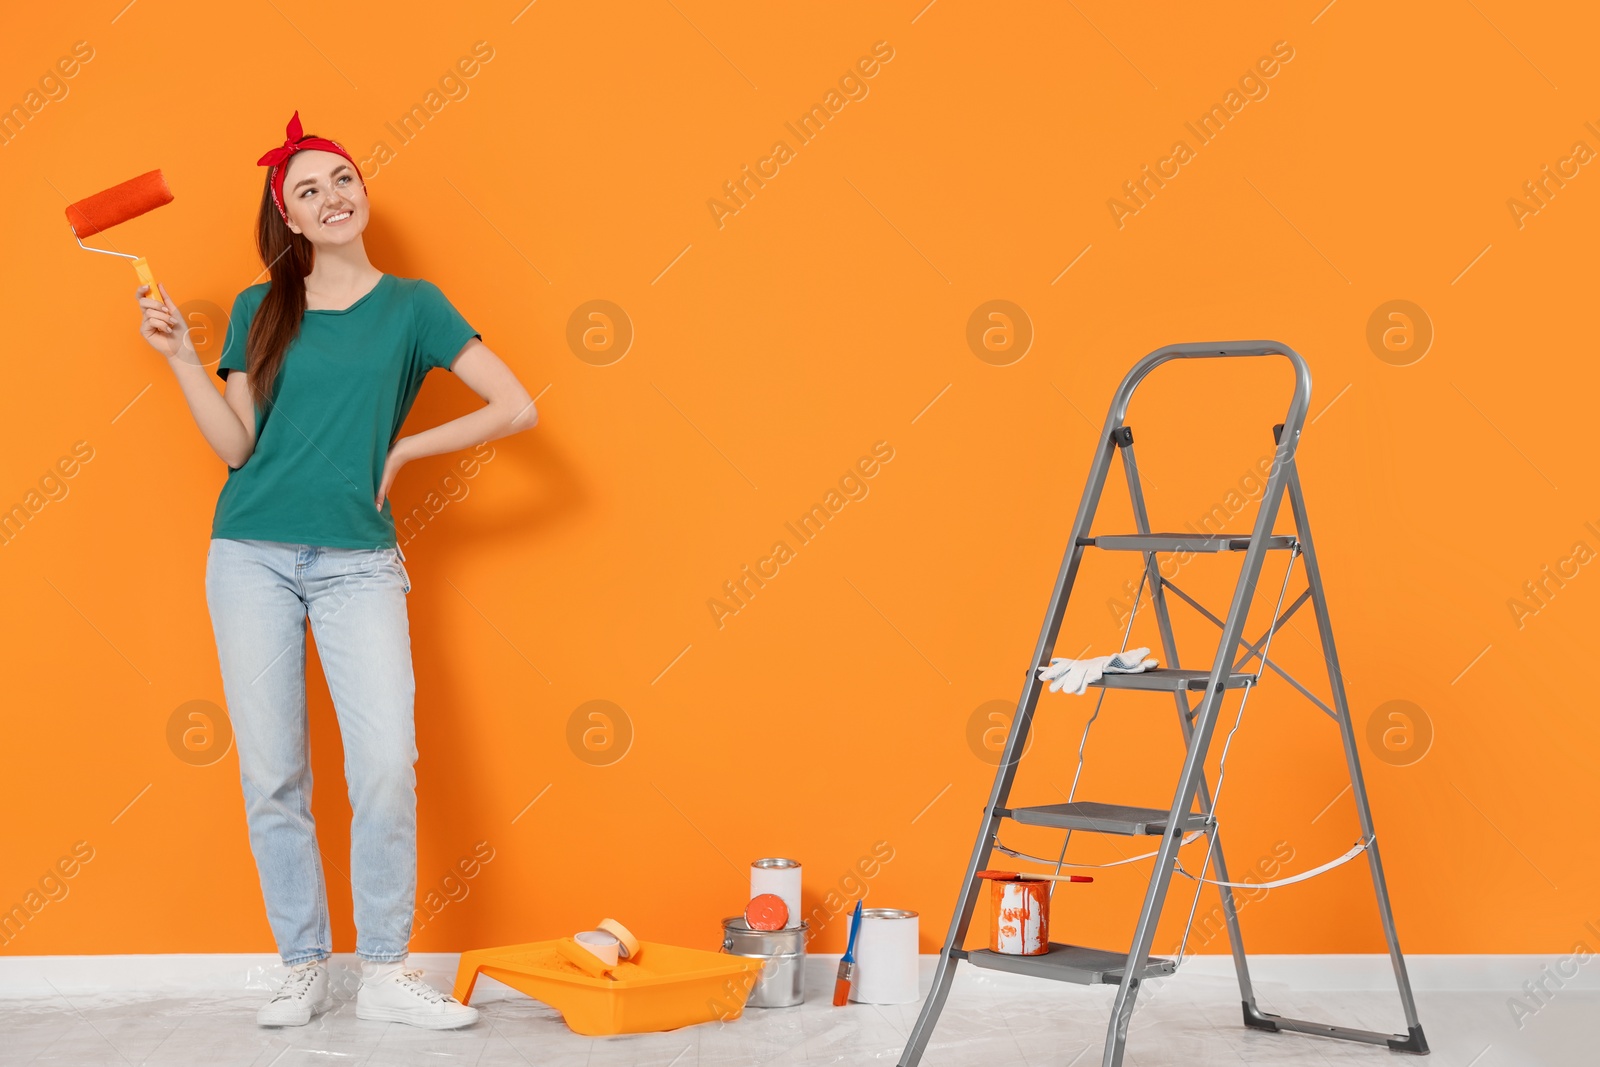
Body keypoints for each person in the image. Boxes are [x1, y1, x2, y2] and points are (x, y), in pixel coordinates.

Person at [136, 111, 537, 1029]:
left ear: (363, 192)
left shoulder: (415, 306)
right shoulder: (259, 308)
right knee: (273, 771)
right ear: (289, 214)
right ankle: (303, 963)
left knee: (387, 762)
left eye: (343, 178)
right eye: (307, 189)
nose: (332, 196)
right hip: (251, 555)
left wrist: (405, 453)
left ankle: (388, 970)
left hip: (360, 562)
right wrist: (180, 361)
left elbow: (514, 406)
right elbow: (238, 447)